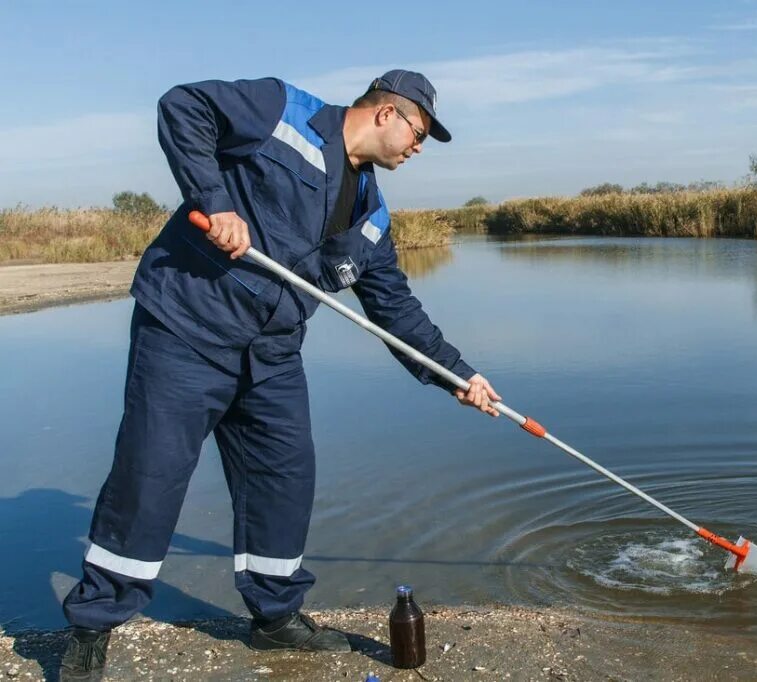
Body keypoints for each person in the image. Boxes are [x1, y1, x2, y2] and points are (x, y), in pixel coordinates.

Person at [59, 70, 501, 681]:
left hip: (271, 353)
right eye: (419, 132)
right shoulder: (281, 110)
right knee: (150, 473)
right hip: (188, 326)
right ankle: (95, 622)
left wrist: (457, 375)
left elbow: (396, 311)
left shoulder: (371, 216)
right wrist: (214, 201)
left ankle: (274, 617)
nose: (418, 147)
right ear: (385, 114)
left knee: (284, 475)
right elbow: (182, 105)